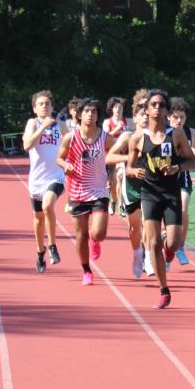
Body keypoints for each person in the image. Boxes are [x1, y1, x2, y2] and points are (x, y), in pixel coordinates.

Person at [124, 90, 195, 308]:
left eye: (161, 105)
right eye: (153, 105)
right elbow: (128, 167)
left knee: (172, 244)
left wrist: (177, 168)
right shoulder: (138, 137)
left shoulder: (176, 134)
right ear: (146, 110)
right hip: (149, 194)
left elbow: (192, 162)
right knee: (154, 242)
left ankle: (169, 250)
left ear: (166, 111)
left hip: (171, 193)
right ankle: (164, 290)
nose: (157, 108)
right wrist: (134, 171)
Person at [57, 98, 117, 285]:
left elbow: (115, 154)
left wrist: (112, 174)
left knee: (98, 233)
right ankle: (86, 271)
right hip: (77, 190)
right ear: (79, 115)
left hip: (99, 189)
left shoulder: (105, 137)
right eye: (86, 111)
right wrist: (65, 165)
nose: (90, 114)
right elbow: (59, 158)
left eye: (94, 111)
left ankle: (95, 240)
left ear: (98, 116)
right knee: (80, 235)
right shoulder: (71, 137)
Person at [105, 92, 149, 278]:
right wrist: (129, 158)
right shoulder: (127, 136)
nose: (146, 118)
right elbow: (109, 157)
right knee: (135, 227)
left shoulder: (158, 136)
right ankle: (137, 255)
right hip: (131, 186)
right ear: (135, 118)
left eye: (148, 114)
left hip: (151, 187)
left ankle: (149, 257)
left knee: (149, 222)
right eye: (142, 114)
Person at [22, 90, 64, 273]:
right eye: (40, 104)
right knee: (38, 218)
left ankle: (52, 245)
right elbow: (27, 145)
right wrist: (42, 127)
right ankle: (40, 251)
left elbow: (73, 143)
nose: (44, 107)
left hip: (56, 176)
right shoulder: (33, 123)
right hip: (37, 179)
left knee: (48, 205)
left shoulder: (60, 125)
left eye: (47, 104)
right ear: (34, 108)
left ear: (52, 107)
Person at [168, 97, 195, 264]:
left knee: (183, 210)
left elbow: (194, 159)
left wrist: (188, 152)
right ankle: (164, 249)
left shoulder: (191, 133)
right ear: (168, 116)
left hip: (183, 177)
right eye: (175, 117)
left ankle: (181, 246)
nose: (179, 120)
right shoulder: (163, 132)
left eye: (182, 117)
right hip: (164, 179)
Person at [103, 98, 127, 213]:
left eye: (120, 107)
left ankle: (121, 205)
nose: (118, 109)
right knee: (112, 182)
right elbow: (106, 137)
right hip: (111, 154)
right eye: (115, 107)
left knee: (120, 177)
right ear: (112, 109)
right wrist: (117, 128)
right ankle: (113, 200)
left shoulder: (128, 121)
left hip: (123, 155)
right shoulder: (107, 122)